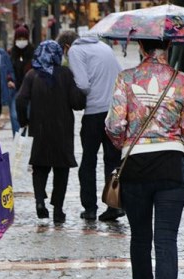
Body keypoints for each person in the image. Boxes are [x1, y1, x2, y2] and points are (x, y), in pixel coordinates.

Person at [105, 39, 184, 279]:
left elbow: (115, 126)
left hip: (136, 166)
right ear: (168, 48)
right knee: (166, 241)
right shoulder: (183, 81)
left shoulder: (126, 78)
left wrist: (129, 138)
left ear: (142, 49)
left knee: (140, 237)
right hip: (172, 164)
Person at [16, 40, 86, 224]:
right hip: (62, 130)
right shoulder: (65, 74)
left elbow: (20, 100)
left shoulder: (32, 75)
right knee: (61, 170)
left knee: (39, 168)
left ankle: (40, 202)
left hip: (39, 129)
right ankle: (58, 210)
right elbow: (77, 103)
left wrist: (24, 121)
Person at [65, 31, 124, 222]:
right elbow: (120, 73)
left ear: (66, 47)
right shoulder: (105, 47)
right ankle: (114, 205)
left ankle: (90, 208)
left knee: (88, 162)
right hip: (113, 112)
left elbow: (83, 84)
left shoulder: (75, 51)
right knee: (113, 161)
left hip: (93, 113)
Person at [8, 25, 35, 135]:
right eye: (19, 39)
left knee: (29, 115)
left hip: (30, 90)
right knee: (15, 116)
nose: (21, 41)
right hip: (15, 89)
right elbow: (7, 69)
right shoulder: (10, 53)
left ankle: (30, 141)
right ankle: (18, 139)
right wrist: (9, 79)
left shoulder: (33, 52)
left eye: (24, 39)